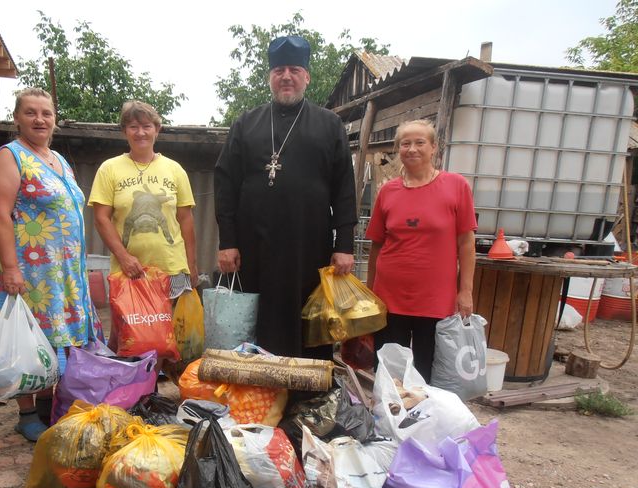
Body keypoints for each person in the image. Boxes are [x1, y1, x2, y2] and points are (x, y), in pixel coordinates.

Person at [215, 35, 357, 360]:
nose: (287, 76)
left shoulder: (330, 124)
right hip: (254, 248)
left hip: (308, 247)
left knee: (308, 319)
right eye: (279, 70)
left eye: (294, 69)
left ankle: (306, 396)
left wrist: (345, 245)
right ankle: (258, 391)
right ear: (270, 77)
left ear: (307, 76)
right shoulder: (245, 124)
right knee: (257, 317)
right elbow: (225, 184)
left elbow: (344, 189)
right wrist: (227, 241)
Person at [0, 87, 102, 441]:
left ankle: (46, 404)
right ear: (17, 118)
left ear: (55, 120)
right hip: (32, 269)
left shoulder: (58, 159)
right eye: (31, 112)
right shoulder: (11, 156)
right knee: (29, 336)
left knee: (57, 336)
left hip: (63, 270)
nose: (39, 119)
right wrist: (10, 268)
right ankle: (26, 414)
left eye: (46, 113)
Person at [365, 119, 477, 383]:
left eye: (419, 142)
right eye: (405, 143)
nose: (412, 149)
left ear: (434, 148)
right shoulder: (387, 192)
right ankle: (389, 420)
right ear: (398, 149)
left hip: (435, 299)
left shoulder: (456, 186)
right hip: (390, 297)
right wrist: (369, 294)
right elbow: (377, 246)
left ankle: (424, 421)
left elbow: (466, 244)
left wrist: (466, 290)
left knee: (428, 372)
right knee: (390, 372)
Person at [89, 100, 198, 361]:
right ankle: (125, 392)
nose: (140, 133)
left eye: (146, 126)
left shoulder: (174, 170)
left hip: (171, 267)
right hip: (130, 271)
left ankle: (152, 397)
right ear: (124, 131)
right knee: (124, 336)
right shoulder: (110, 169)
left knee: (164, 335)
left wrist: (191, 266)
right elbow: (101, 218)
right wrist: (124, 258)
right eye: (133, 126)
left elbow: (186, 220)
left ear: (157, 130)